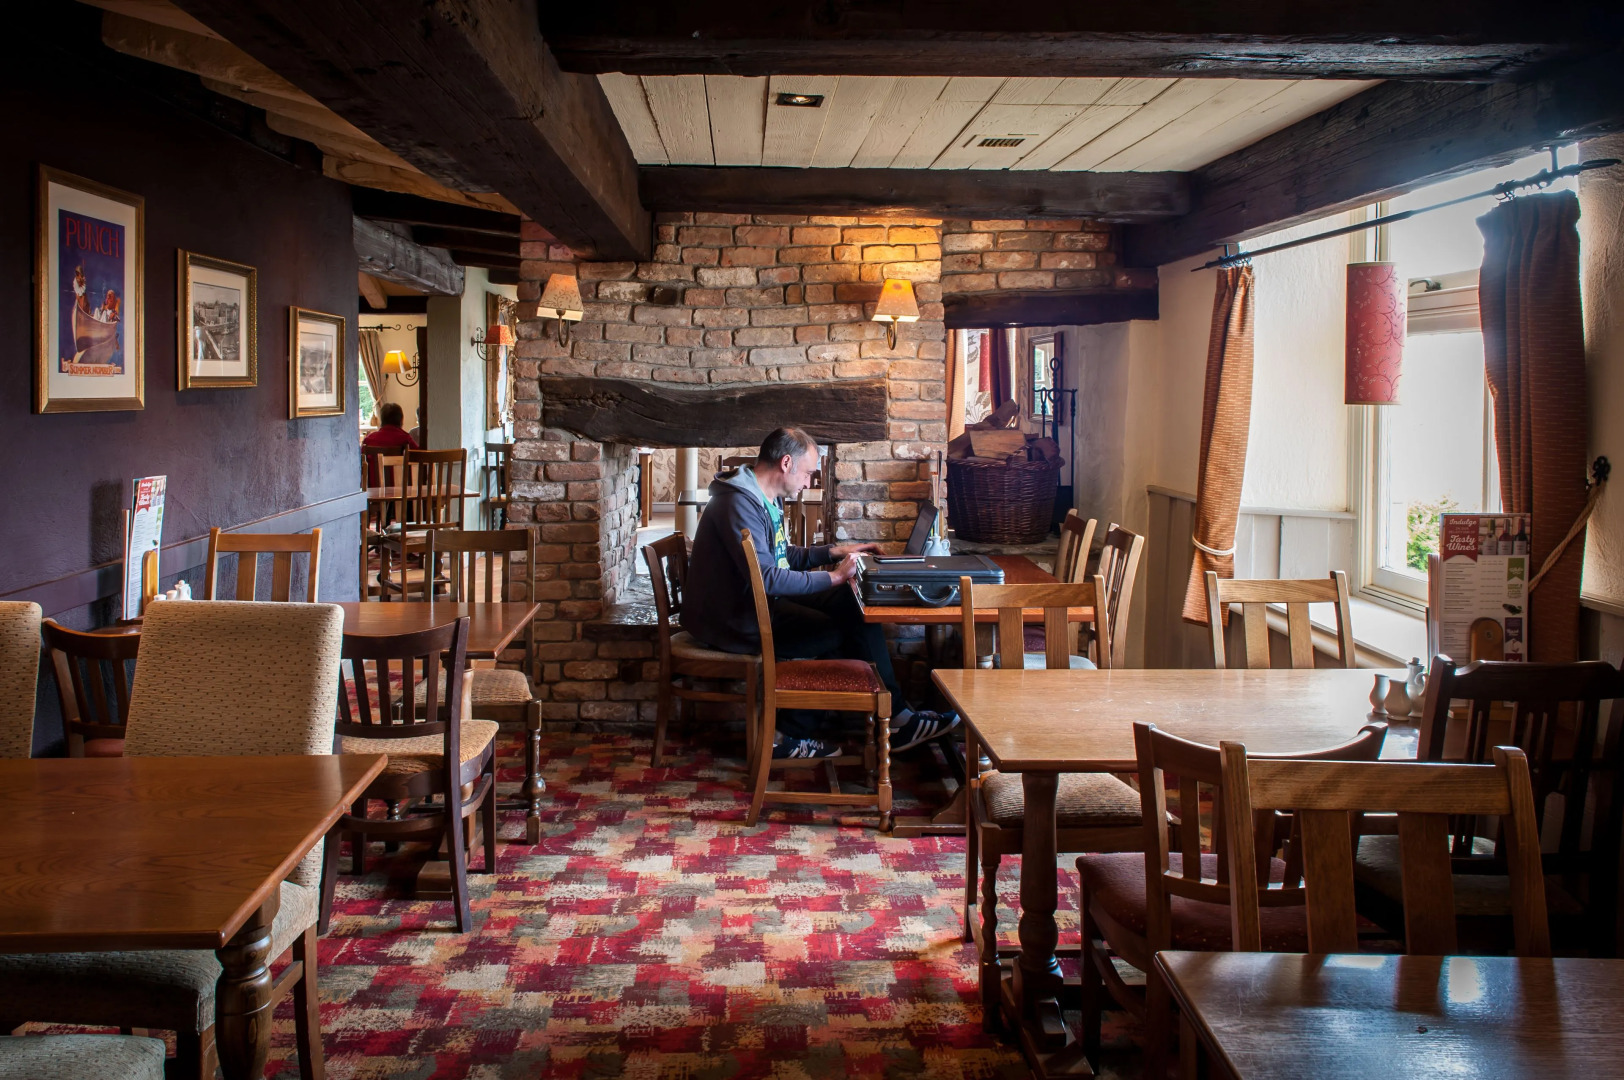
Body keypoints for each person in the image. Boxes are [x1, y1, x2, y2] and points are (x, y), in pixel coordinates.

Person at [684, 427, 958, 759]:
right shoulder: (738, 504)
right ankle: (786, 735)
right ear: (786, 463)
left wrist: (835, 552)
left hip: (754, 607)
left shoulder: (763, 496)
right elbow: (769, 577)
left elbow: (782, 558)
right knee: (836, 634)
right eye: (809, 471)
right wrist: (834, 577)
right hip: (735, 622)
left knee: (850, 605)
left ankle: (897, 717)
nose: (810, 481)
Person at [362, 401, 418, 485]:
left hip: (374, 491)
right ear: (401, 420)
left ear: (382, 419)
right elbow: (420, 456)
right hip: (400, 491)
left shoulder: (368, 440)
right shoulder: (405, 438)